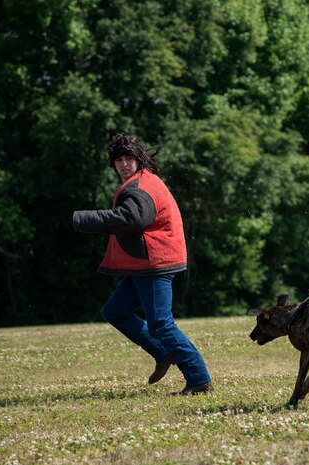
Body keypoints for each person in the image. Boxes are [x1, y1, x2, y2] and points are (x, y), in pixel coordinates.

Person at [73, 134, 212, 395]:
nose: (124, 164)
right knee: (115, 311)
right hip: (145, 262)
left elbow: (131, 219)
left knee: (162, 323)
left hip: (155, 261)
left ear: (139, 160)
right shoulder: (143, 181)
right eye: (119, 160)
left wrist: (82, 218)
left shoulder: (139, 187)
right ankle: (162, 353)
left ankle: (199, 380)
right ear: (113, 164)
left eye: (129, 159)